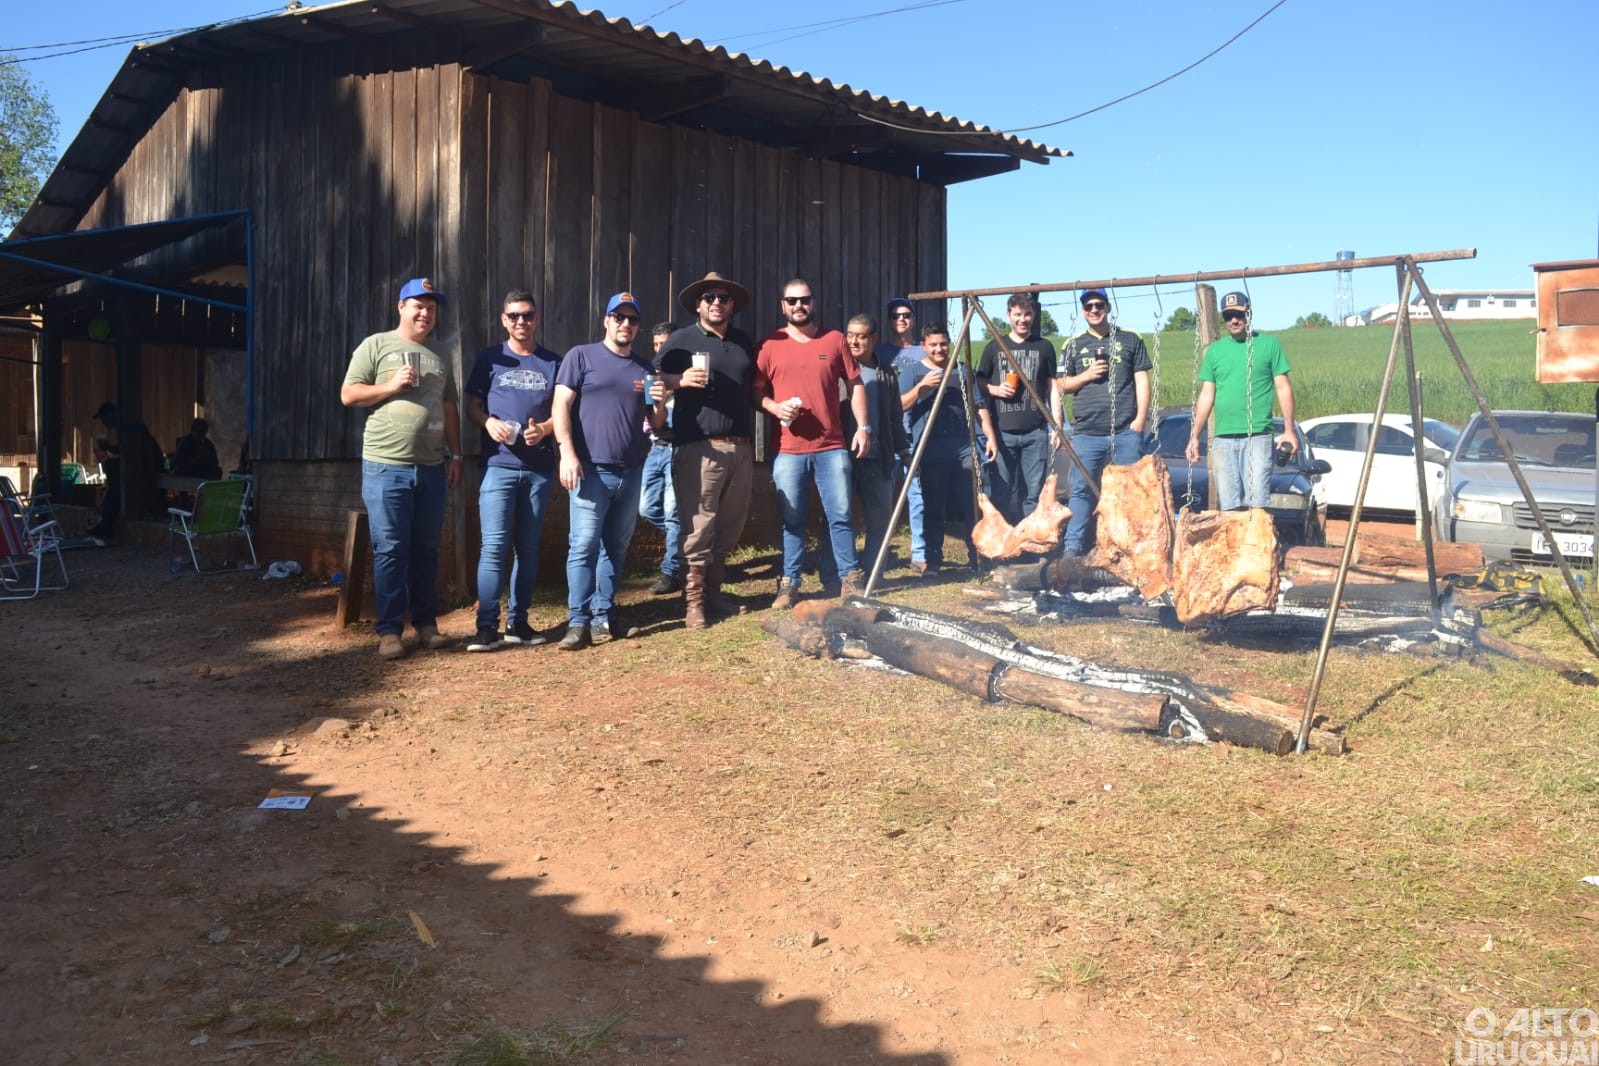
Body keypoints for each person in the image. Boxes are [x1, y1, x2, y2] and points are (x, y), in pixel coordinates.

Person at [339, 277, 463, 661]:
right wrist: (391, 387)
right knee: (391, 549)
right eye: (418, 306)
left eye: (431, 307)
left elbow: (449, 407)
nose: (425, 313)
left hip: (430, 467)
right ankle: (390, 632)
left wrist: (455, 456)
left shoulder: (441, 353)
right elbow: (348, 394)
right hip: (385, 466)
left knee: (425, 549)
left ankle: (427, 626)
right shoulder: (376, 345)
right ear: (401, 307)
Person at [551, 292, 665, 651]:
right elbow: (560, 406)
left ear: (638, 327)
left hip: (631, 471)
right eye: (618, 317)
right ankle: (577, 622)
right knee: (583, 545)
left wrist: (660, 402)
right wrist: (567, 455)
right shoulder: (580, 356)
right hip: (589, 470)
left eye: (632, 320)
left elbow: (655, 423)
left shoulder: (644, 370)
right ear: (606, 320)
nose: (625, 324)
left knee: (615, 547)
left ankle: (603, 615)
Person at [755, 278, 872, 609]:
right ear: (783, 306)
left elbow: (856, 384)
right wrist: (775, 407)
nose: (798, 306)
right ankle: (790, 583)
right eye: (791, 301)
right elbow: (755, 392)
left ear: (813, 303)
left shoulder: (834, 340)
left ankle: (850, 580)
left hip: (831, 447)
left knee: (841, 515)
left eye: (804, 300)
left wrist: (863, 427)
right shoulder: (770, 345)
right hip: (788, 450)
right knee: (792, 519)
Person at [655, 272, 758, 630]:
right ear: (698, 304)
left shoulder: (743, 341)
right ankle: (694, 604)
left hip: (741, 447)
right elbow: (652, 383)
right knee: (698, 527)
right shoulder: (681, 341)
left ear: (732, 305)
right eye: (710, 297)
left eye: (724, 298)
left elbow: (757, 386)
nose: (717, 303)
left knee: (728, 528)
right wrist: (679, 380)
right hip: (699, 447)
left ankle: (714, 595)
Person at [463, 289, 561, 653]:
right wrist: (487, 423)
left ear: (537, 318)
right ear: (504, 320)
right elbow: (472, 406)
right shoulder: (489, 359)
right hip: (498, 467)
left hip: (538, 469)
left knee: (528, 549)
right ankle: (486, 627)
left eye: (528, 315)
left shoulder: (553, 362)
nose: (522, 321)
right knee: (493, 547)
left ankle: (518, 623)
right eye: (515, 316)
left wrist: (546, 430)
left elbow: (563, 410)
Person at [898, 322, 997, 576]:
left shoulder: (962, 370)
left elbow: (979, 406)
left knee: (971, 504)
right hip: (930, 451)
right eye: (933, 345)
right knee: (933, 507)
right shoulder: (912, 372)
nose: (939, 349)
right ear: (923, 346)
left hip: (964, 447)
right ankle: (932, 562)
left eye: (943, 344)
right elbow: (898, 405)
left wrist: (989, 435)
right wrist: (921, 389)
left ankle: (978, 557)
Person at [1059, 288, 1152, 555]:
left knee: (1130, 490)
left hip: (1125, 430)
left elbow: (1142, 380)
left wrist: (1140, 420)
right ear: (1083, 311)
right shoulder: (1073, 344)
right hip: (1087, 431)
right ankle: (1073, 549)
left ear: (1108, 308)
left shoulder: (1130, 339)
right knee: (1081, 490)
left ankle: (1129, 549)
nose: (1094, 310)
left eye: (1099, 305)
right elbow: (1060, 385)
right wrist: (1087, 375)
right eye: (1088, 306)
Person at [1186, 291, 1299, 509]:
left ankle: (1258, 544)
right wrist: (1193, 437)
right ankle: (1236, 545)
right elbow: (1206, 395)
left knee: (1257, 505)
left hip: (1257, 435)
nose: (1234, 320)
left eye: (1239, 315)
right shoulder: (1215, 351)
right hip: (1222, 440)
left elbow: (1283, 387)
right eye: (1228, 316)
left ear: (1248, 314)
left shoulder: (1269, 345)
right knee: (1228, 506)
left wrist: (1289, 430)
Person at [976, 293, 1059, 525]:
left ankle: (1031, 544)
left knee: (1033, 493)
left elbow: (1053, 387)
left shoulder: (1044, 347)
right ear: (1008, 315)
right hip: (1003, 431)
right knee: (1003, 492)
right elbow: (979, 383)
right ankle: (1004, 544)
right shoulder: (995, 347)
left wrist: (1057, 426)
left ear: (1033, 315)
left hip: (1036, 432)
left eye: (1027, 314)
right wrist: (994, 389)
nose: (1023, 319)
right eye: (1018, 314)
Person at [843, 314, 910, 577]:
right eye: (849, 335)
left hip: (879, 459)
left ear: (873, 339)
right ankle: (838, 576)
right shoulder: (838, 371)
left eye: (860, 336)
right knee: (839, 520)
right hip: (843, 458)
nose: (853, 342)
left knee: (879, 522)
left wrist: (904, 451)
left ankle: (874, 575)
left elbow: (895, 418)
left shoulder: (885, 374)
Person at [638, 321, 686, 595]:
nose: (659, 350)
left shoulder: (684, 378)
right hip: (654, 448)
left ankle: (671, 572)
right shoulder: (650, 377)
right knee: (646, 508)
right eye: (655, 345)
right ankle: (689, 542)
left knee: (672, 513)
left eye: (664, 345)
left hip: (676, 448)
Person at [882, 297, 928, 573]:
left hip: (917, 432)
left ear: (913, 318)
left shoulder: (926, 352)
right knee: (884, 496)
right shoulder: (880, 353)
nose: (902, 319)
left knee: (917, 496)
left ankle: (919, 553)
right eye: (896, 315)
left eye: (906, 315)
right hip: (887, 434)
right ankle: (882, 553)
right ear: (889, 320)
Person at [86, 401, 164, 541]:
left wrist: (151, 470)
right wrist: (107, 449)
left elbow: (144, 449)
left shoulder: (130, 425)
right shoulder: (123, 428)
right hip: (139, 464)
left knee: (116, 483)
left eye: (104, 418)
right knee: (112, 474)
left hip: (147, 465)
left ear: (111, 416)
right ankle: (106, 522)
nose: (103, 423)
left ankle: (107, 524)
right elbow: (125, 449)